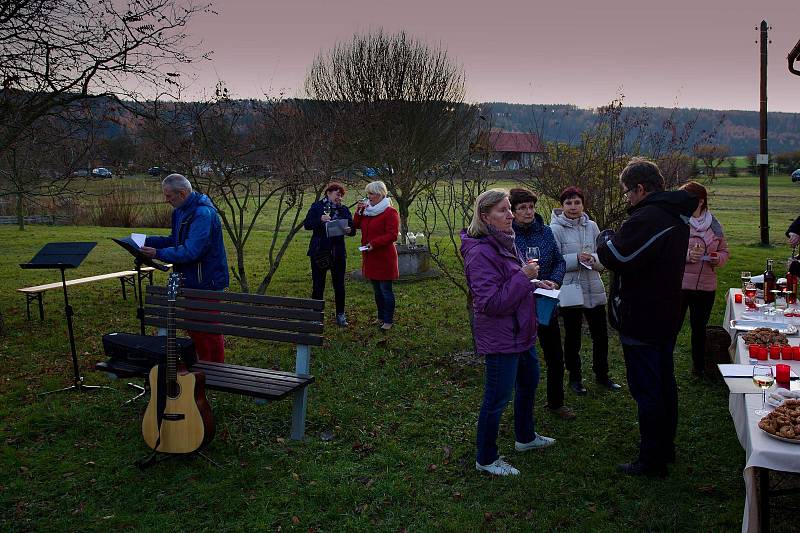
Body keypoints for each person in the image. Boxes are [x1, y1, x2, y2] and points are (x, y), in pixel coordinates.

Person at [596, 158, 698, 478]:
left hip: (643, 317)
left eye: (627, 191)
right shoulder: (672, 213)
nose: (626, 198)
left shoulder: (651, 216)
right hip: (664, 313)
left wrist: (604, 237)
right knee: (664, 383)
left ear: (641, 188)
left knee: (648, 390)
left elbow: (619, 256)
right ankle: (665, 448)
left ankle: (651, 461)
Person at [461, 188, 556, 476]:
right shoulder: (480, 252)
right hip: (501, 338)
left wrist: (536, 283)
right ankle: (486, 458)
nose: (511, 215)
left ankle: (525, 438)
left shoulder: (505, 240)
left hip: (522, 332)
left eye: (509, 209)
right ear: (484, 216)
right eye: (503, 210)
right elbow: (490, 303)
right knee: (497, 398)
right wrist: (523, 277)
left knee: (529, 383)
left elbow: (512, 284)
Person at [141, 174, 230, 362]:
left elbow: (191, 251)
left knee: (209, 329)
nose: (166, 200)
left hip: (207, 281)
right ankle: (201, 367)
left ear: (182, 193)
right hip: (188, 279)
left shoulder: (203, 214)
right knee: (193, 327)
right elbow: (175, 240)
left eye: (168, 196)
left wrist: (157, 253)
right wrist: (144, 241)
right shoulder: (180, 211)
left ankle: (216, 370)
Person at [509, 188, 575, 420]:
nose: (528, 212)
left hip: (545, 300)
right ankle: (517, 401)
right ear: (512, 211)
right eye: (522, 208)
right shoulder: (507, 236)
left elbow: (558, 261)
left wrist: (554, 281)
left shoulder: (545, 232)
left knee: (555, 354)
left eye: (531, 207)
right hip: (519, 302)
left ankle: (556, 402)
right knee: (521, 355)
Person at [550, 186, 620, 394]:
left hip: (593, 286)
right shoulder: (554, 229)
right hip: (571, 288)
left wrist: (594, 260)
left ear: (583, 204)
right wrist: (575, 259)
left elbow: (603, 255)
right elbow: (554, 261)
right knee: (573, 336)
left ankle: (602, 375)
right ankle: (575, 378)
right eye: (569, 203)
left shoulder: (592, 226)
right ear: (562, 206)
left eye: (577, 202)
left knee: (600, 335)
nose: (573, 207)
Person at [679, 181, 730, 377]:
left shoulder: (715, 225)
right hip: (681, 285)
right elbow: (668, 250)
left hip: (706, 286)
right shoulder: (678, 222)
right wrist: (686, 256)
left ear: (700, 201)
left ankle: (699, 367)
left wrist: (718, 259)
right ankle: (663, 364)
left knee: (699, 328)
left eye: (687, 199)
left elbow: (724, 251)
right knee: (673, 326)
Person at [303, 182, 355, 327]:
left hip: (338, 253)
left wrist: (349, 230)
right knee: (318, 285)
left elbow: (353, 229)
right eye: (337, 194)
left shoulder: (344, 210)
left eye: (341, 195)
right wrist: (320, 220)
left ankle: (340, 315)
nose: (339, 197)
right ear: (328, 193)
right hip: (319, 251)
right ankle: (316, 315)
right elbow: (307, 224)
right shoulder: (317, 207)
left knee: (339, 285)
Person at [353, 181, 400, 331]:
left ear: (380, 194)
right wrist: (358, 212)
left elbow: (392, 235)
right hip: (370, 256)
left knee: (386, 290)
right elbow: (356, 225)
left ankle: (388, 320)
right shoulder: (368, 211)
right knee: (377, 291)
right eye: (368, 194)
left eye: (371, 194)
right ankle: (380, 316)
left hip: (384, 257)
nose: (369, 197)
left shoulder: (390, 212)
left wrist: (375, 243)